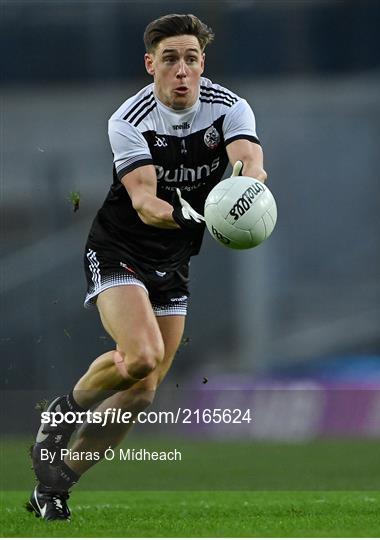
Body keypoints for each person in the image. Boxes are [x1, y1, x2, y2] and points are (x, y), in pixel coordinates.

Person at [27, 13, 267, 521]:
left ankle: (56, 484)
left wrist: (246, 191)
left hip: (173, 260)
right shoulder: (128, 119)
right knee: (139, 356)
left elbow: (250, 162)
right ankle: (61, 413)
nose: (182, 70)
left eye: (192, 59)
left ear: (203, 65)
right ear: (150, 64)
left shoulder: (229, 107)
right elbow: (144, 202)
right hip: (120, 249)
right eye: (171, 59)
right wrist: (198, 215)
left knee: (142, 392)